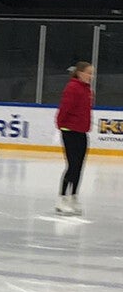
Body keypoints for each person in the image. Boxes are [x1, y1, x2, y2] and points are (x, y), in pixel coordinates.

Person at [55, 61, 94, 216]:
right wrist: (61, 125)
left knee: (79, 166)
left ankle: (73, 197)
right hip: (69, 131)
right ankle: (62, 198)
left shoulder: (87, 89)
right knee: (72, 166)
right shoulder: (72, 87)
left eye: (92, 73)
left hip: (82, 132)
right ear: (79, 73)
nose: (91, 76)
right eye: (88, 73)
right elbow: (65, 108)